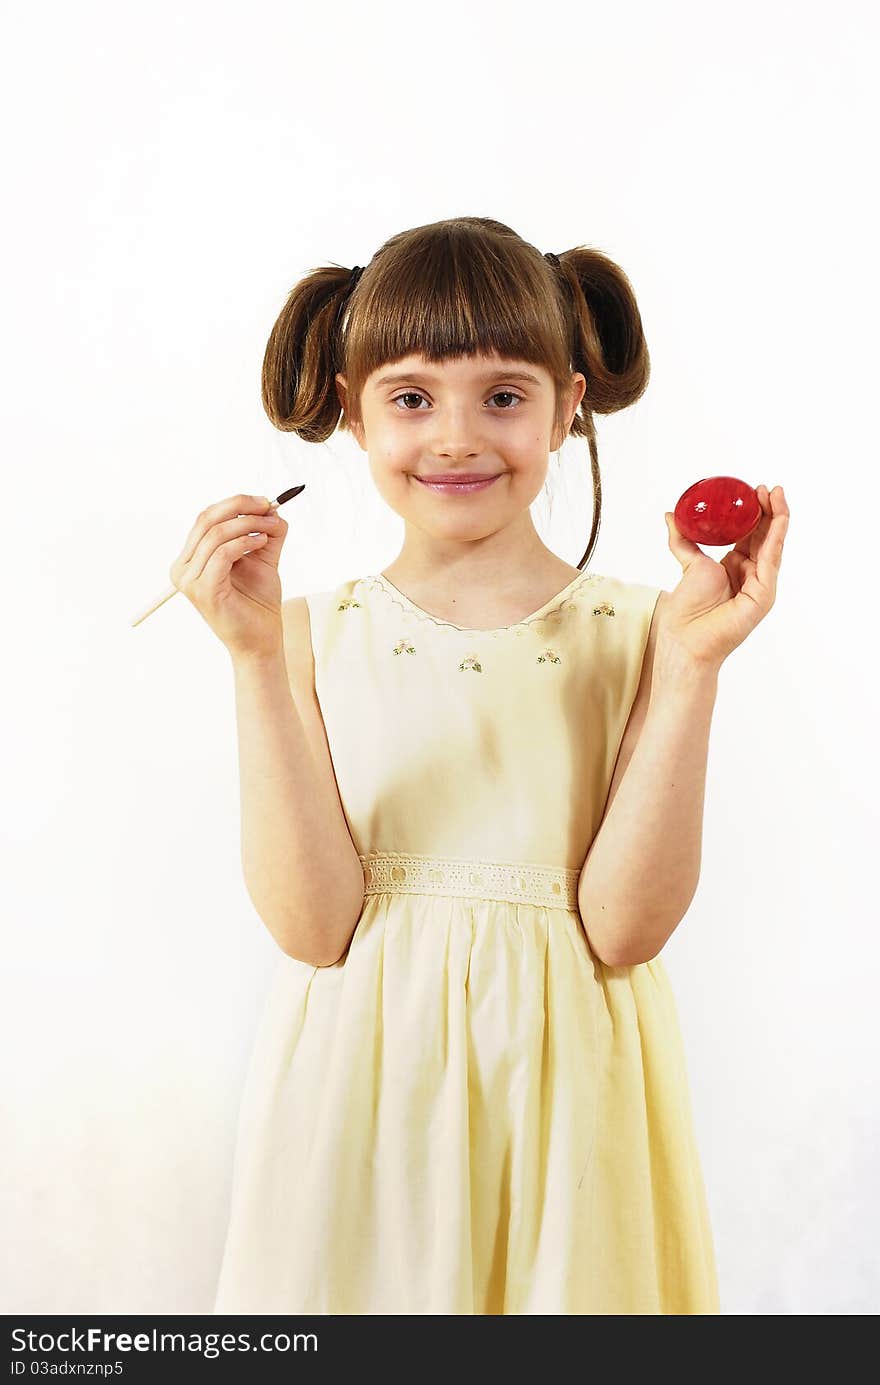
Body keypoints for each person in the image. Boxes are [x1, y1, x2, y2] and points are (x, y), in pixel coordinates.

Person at [171, 216, 789, 1314]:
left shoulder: (649, 631)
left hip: (572, 1104)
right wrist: (254, 657)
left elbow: (624, 929)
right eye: (411, 396)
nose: (456, 435)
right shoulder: (303, 634)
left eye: (502, 395)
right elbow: (313, 928)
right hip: (363, 1093)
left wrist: (693, 665)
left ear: (569, 403)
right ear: (351, 409)